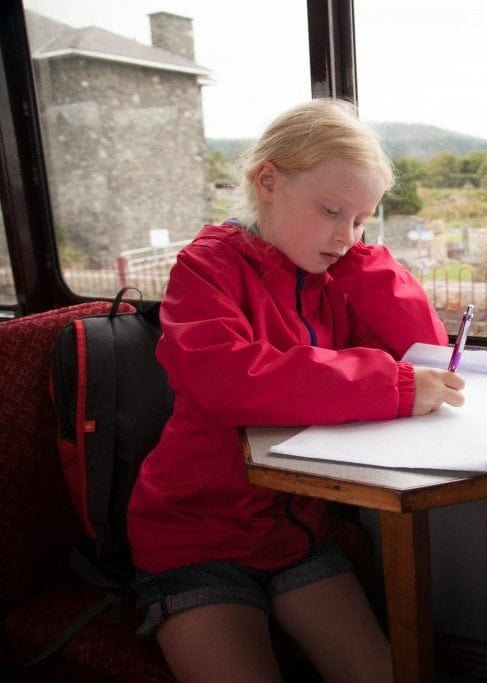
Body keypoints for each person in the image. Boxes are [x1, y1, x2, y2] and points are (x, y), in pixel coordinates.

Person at [127, 98, 466, 682]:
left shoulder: (331, 277)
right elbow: (227, 379)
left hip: (295, 533)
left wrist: (361, 258)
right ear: (268, 181)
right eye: (332, 210)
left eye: (361, 220)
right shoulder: (205, 270)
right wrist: (390, 385)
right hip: (195, 535)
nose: (345, 234)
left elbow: (421, 348)